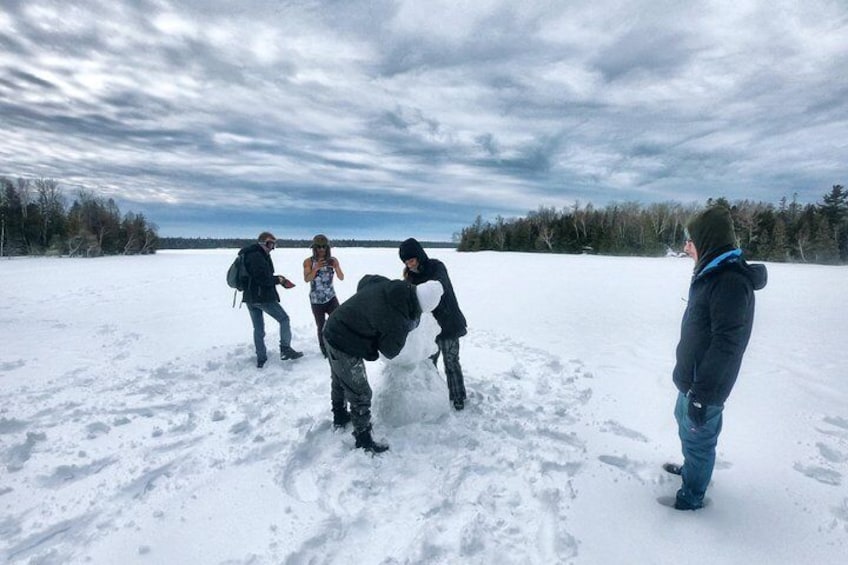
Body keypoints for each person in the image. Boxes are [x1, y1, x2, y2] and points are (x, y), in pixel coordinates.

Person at [666, 206, 767, 510]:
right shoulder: (712, 274)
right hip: (692, 380)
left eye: (690, 240)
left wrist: (703, 395)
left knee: (699, 440)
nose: (686, 247)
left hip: (705, 388)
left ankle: (692, 495)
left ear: (707, 241)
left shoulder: (730, 282)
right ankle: (692, 470)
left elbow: (728, 344)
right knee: (685, 426)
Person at [322, 275, 444, 454]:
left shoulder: (392, 286)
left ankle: (340, 416)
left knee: (340, 379)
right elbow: (389, 351)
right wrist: (409, 325)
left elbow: (365, 281)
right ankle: (363, 439)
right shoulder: (398, 319)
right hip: (344, 341)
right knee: (361, 392)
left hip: (333, 326)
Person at [398, 238, 468, 410]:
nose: (409, 264)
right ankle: (435, 397)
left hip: (449, 323)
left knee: (451, 362)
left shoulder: (436, 267)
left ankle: (457, 396)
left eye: (411, 260)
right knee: (429, 365)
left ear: (419, 256)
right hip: (429, 329)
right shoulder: (410, 277)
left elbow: (438, 286)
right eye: (406, 262)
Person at [241, 231, 303, 368]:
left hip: (250, 297)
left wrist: (278, 279)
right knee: (284, 319)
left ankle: (261, 358)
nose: (272, 248)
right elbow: (262, 279)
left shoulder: (253, 254)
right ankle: (285, 349)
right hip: (261, 297)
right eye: (270, 244)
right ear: (262, 243)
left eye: (274, 244)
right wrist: (279, 280)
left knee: (258, 329)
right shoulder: (256, 256)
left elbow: (260, 276)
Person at [302, 234, 344, 357]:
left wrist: (336, 267)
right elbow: (307, 278)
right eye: (318, 247)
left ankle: (340, 344)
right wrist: (315, 269)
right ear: (314, 248)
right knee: (321, 326)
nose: (321, 250)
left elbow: (341, 277)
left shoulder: (333, 260)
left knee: (338, 321)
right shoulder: (308, 262)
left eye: (324, 247)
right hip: (316, 300)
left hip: (331, 297)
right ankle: (324, 349)